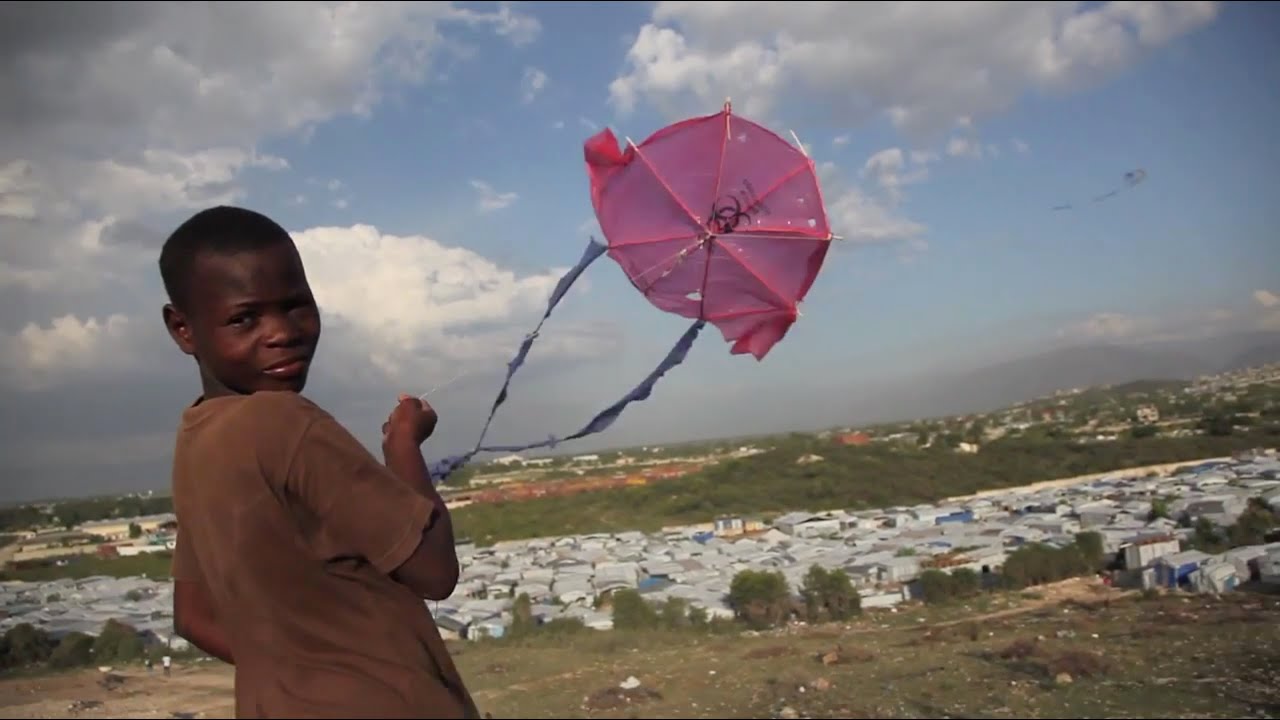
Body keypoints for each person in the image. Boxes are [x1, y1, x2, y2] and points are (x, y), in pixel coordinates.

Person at [158, 205, 480, 719]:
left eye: (296, 305)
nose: (282, 332)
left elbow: (192, 615)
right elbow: (434, 570)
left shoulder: (198, 438)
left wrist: (300, 675)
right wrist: (403, 446)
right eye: (245, 317)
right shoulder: (284, 422)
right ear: (183, 329)